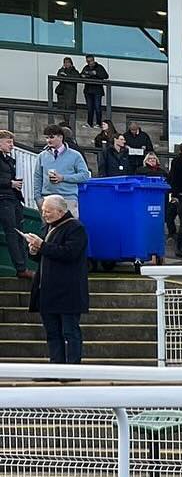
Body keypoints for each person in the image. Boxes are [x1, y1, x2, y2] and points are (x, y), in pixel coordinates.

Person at [25, 196, 88, 363]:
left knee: (70, 332)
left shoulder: (76, 228)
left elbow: (69, 253)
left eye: (48, 211)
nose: (44, 214)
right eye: (43, 210)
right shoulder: (48, 227)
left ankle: (72, 369)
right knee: (52, 333)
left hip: (68, 291)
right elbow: (46, 256)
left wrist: (42, 246)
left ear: (61, 211)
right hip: (47, 290)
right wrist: (34, 251)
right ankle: (55, 366)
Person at [32, 126, 90, 217]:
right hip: (47, 198)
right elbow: (37, 177)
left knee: (69, 229)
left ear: (60, 137)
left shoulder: (75, 155)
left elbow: (85, 175)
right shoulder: (41, 156)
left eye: (51, 137)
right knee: (49, 230)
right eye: (46, 137)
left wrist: (63, 178)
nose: (48, 140)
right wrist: (38, 198)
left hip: (68, 198)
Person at [0, 132, 30, 279]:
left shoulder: (10, 160)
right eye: (8, 142)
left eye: (12, 142)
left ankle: (22, 267)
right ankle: (21, 267)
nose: (11, 145)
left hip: (14, 198)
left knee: (19, 233)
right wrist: (10, 183)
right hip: (4, 199)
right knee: (13, 233)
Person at [80, 56, 108, 128]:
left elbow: (105, 76)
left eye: (91, 61)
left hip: (97, 91)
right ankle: (89, 123)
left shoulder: (99, 67)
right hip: (88, 90)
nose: (89, 63)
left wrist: (95, 73)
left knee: (97, 107)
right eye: (88, 61)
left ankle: (98, 123)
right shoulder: (86, 67)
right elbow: (81, 75)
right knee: (89, 108)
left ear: (94, 60)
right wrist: (83, 75)